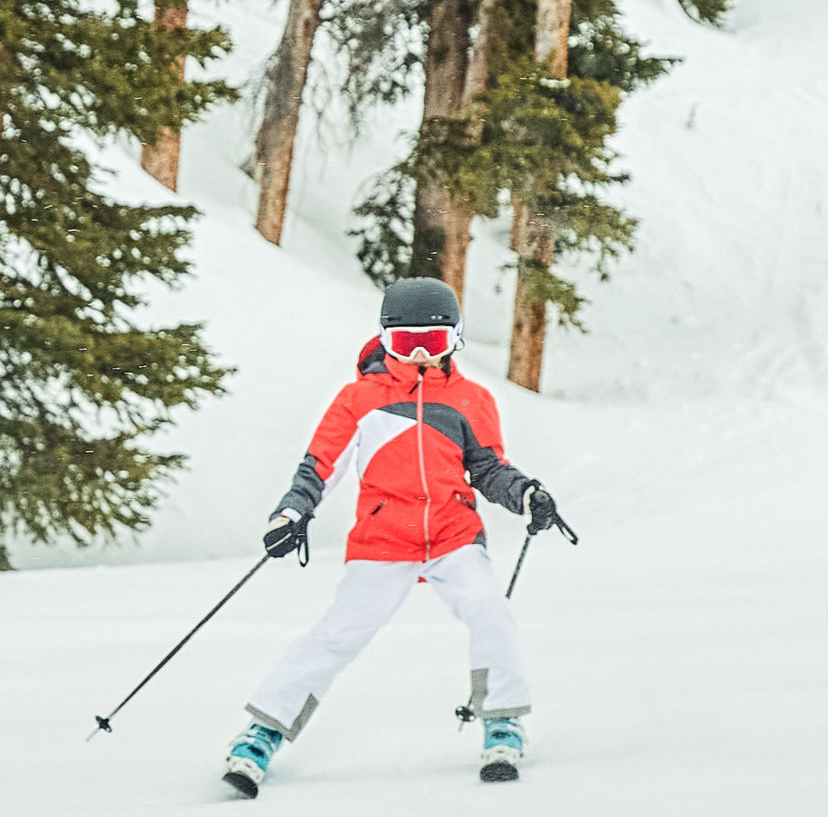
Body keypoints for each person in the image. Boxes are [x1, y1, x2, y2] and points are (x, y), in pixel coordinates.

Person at [223, 277, 570, 796]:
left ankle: (502, 720)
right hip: (384, 539)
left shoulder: (472, 400)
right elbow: (318, 467)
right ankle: (263, 731)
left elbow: (490, 468)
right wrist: (290, 516)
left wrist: (527, 495)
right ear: (386, 341)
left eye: (433, 342)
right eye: (407, 344)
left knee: (488, 608)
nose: (421, 357)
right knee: (338, 633)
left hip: (453, 534)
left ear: (455, 339)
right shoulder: (359, 400)